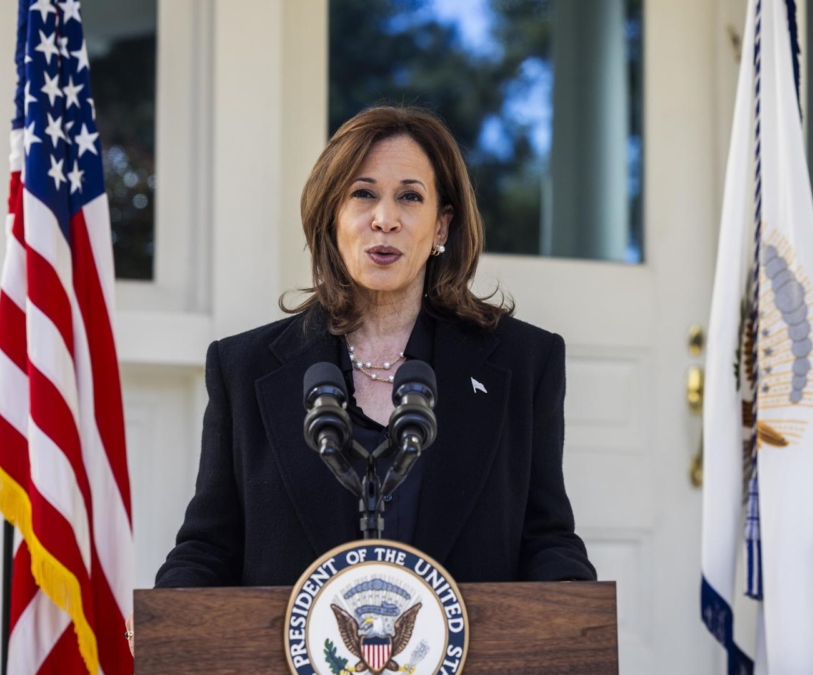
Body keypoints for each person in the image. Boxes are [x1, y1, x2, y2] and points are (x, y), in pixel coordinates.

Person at [130, 107, 594, 648]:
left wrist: (573, 619)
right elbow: (209, 547)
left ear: (441, 225)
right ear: (332, 214)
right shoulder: (244, 369)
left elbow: (546, 537)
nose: (385, 219)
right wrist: (169, 620)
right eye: (363, 194)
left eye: (410, 197)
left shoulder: (523, 363)